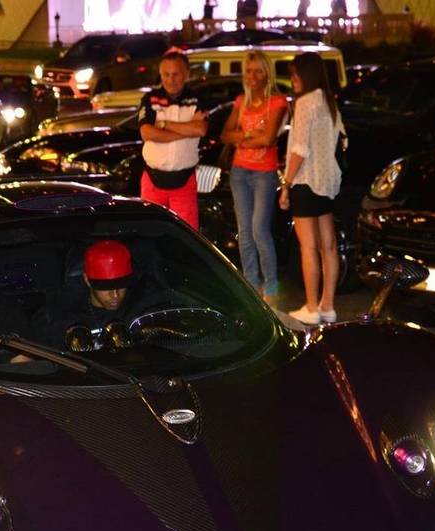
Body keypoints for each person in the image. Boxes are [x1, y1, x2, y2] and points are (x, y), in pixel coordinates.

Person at [279, 52, 346, 325]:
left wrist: (286, 184)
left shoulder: (305, 103)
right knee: (328, 246)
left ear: (305, 75)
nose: (293, 80)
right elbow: (342, 140)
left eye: (295, 75)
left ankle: (311, 306)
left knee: (308, 247)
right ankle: (327, 306)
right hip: (327, 181)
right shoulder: (329, 102)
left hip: (306, 181)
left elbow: (300, 149)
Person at [220, 50, 289, 305]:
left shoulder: (278, 102)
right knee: (245, 232)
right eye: (248, 71)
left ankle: (271, 288)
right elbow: (225, 135)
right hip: (239, 172)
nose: (252, 76)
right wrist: (250, 137)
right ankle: (251, 286)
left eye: (258, 71)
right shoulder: (241, 101)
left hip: (264, 173)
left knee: (260, 230)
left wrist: (242, 138)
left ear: (267, 74)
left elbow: (268, 139)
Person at [34, 240, 167, 350]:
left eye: (121, 285)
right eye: (106, 287)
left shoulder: (142, 311)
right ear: (87, 280)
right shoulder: (63, 318)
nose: (115, 295)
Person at [138, 50, 207, 230]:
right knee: (150, 233)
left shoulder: (197, 99)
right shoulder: (150, 99)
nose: (170, 80)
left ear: (186, 74)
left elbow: (200, 129)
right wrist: (187, 130)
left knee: (186, 235)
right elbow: (147, 133)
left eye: (176, 74)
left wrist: (164, 124)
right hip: (152, 180)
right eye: (166, 75)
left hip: (184, 181)